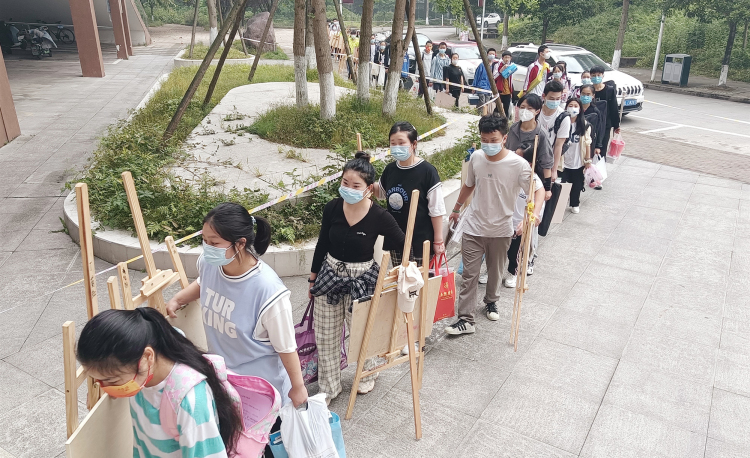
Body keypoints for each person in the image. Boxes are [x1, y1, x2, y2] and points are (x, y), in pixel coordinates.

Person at [77, 307, 244, 458]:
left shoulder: (189, 399)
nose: (105, 387)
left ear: (147, 357)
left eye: (111, 381)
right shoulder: (145, 361)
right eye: (97, 380)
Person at [308, 152, 405, 403]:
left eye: (355, 185)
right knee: (326, 335)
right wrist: (313, 278)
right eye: (345, 183)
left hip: (363, 278)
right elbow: (322, 243)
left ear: (369, 189)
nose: (348, 189)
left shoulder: (379, 216)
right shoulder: (332, 207)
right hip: (329, 276)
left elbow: (402, 242)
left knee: (363, 332)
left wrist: (398, 271)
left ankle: (367, 373)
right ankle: (329, 387)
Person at [446, 113, 539, 335]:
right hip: (474, 226)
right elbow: (469, 185)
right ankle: (465, 319)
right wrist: (456, 208)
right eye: (484, 140)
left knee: (495, 272)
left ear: (504, 138)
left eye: (493, 140)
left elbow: (537, 189)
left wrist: (532, 215)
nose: (488, 144)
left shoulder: (518, 164)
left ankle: (491, 300)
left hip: (501, 229)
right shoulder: (477, 158)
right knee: (469, 275)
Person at [374, 122, 446, 265]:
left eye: (401, 143)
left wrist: (438, 240)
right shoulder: (390, 170)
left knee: (420, 278)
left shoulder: (427, 171)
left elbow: (436, 209)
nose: (397, 147)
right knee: (400, 278)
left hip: (420, 241)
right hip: (396, 238)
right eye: (393, 143)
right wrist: (364, 177)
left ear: (413, 144)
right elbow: (380, 193)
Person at [505, 94, 554, 276]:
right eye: (522, 107)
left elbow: (547, 163)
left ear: (537, 111)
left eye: (529, 108)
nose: (524, 111)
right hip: (513, 179)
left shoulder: (540, 134)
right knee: (513, 222)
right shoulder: (513, 129)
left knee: (530, 222)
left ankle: (528, 259)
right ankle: (509, 261)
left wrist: (547, 188)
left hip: (534, 181)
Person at [504, 146, 547, 288]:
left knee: (515, 252)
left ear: (528, 163)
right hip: (505, 220)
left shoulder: (534, 181)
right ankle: (490, 271)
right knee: (499, 250)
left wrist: (528, 220)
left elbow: (538, 207)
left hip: (520, 223)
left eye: (519, 157)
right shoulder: (510, 174)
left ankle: (513, 272)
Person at [560, 97, 592, 214]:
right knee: (561, 183)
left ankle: (575, 203)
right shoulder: (562, 122)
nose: (573, 108)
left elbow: (587, 143)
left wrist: (587, 160)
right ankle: (559, 204)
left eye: (575, 106)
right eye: (570, 105)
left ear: (580, 109)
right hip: (563, 160)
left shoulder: (584, 125)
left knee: (576, 184)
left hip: (577, 161)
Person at [537, 80, 572, 183]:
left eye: (558, 99)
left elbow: (558, 145)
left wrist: (554, 170)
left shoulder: (563, 117)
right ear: (544, 96)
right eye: (552, 99)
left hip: (549, 160)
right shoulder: (536, 111)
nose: (555, 102)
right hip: (532, 156)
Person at [590, 65, 621, 171]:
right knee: (590, 148)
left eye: (598, 75)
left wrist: (616, 125)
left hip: (605, 125)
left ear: (603, 75)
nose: (596, 77)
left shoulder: (609, 90)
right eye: (593, 75)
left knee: (602, 148)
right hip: (591, 124)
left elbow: (614, 108)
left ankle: (599, 172)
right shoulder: (589, 90)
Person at [580, 84, 606, 160]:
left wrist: (598, 146)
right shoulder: (576, 108)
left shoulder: (595, 111)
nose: (585, 96)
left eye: (588, 94)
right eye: (583, 94)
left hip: (589, 142)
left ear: (593, 96)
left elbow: (599, 129)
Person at [493, 51, 515, 117]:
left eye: (508, 57)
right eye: (505, 57)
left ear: (511, 58)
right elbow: (494, 77)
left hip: (507, 90)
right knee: (498, 106)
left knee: (506, 107)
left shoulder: (511, 66)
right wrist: (501, 70)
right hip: (500, 89)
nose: (507, 59)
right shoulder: (497, 65)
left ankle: (505, 120)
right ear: (502, 58)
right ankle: (495, 118)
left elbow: (511, 79)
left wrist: (511, 91)